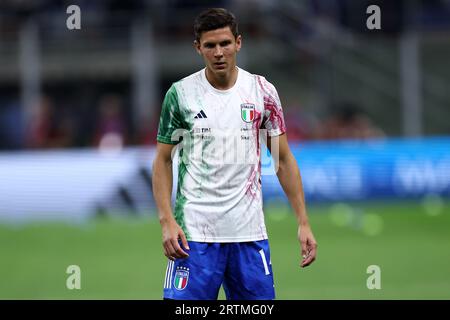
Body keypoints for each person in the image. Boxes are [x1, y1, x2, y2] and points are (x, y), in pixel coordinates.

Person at [152, 7, 317, 300]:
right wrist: (167, 221)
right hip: (194, 237)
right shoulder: (180, 95)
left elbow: (282, 159)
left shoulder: (261, 91)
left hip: (249, 234)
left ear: (238, 43)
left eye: (225, 44)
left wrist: (303, 222)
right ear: (197, 48)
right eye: (210, 45)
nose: (219, 52)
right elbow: (163, 160)